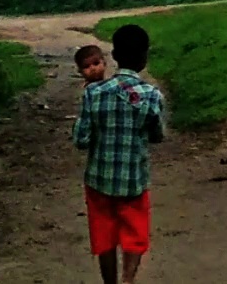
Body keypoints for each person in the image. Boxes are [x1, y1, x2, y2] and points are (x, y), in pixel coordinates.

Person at [72, 24, 165, 284]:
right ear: (145, 56)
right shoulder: (152, 96)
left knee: (104, 236)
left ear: (114, 55)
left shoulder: (94, 93)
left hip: (99, 180)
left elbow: (81, 139)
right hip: (133, 180)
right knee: (135, 234)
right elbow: (158, 136)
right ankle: (128, 280)